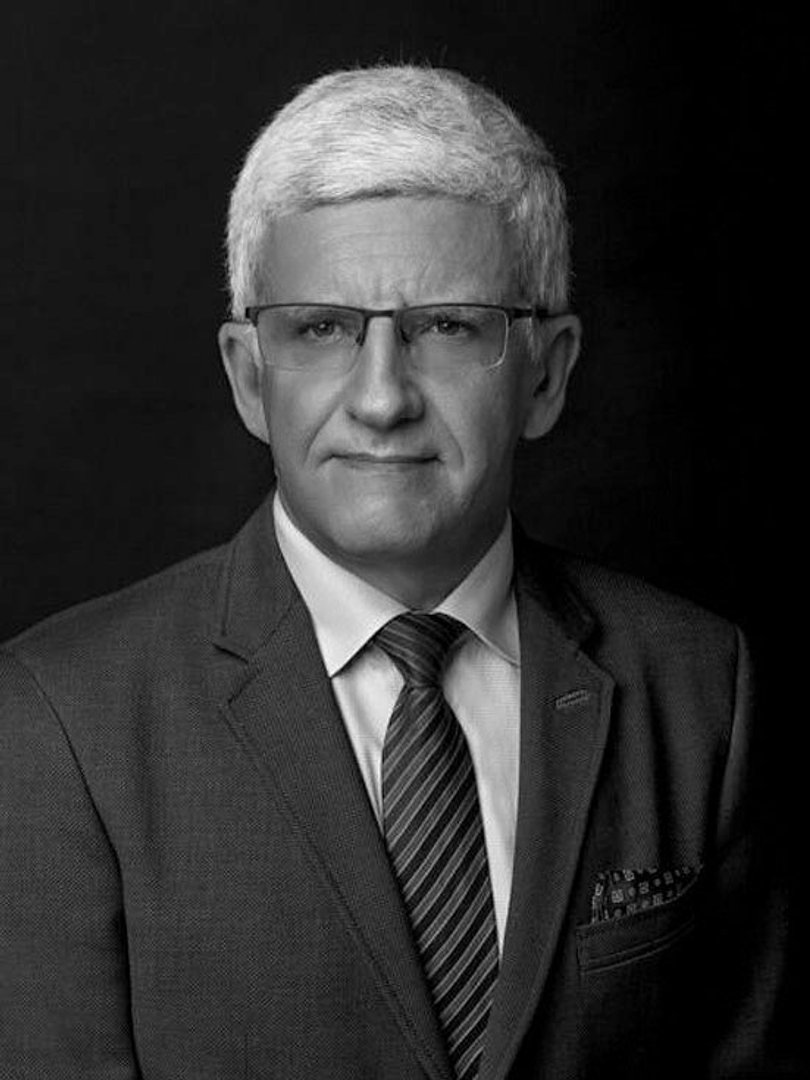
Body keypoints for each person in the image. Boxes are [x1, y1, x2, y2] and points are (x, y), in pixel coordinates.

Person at [0, 64, 794, 1079]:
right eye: (321, 328)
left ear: (548, 374)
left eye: (447, 326)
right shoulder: (56, 724)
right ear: (250, 377)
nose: (382, 399)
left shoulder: (700, 686)